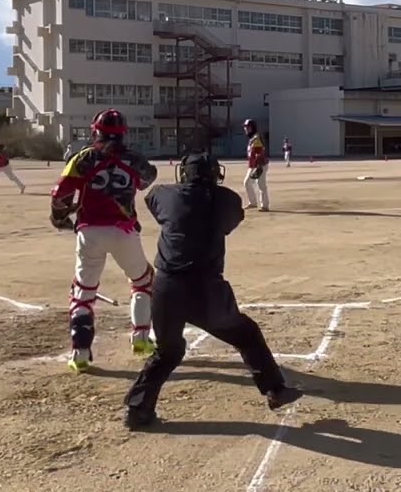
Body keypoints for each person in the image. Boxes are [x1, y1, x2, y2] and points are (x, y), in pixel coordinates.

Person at [122, 152, 303, 429]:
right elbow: (231, 220)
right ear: (214, 174)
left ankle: (137, 410)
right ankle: (275, 390)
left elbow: (152, 201)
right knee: (246, 334)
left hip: (166, 288)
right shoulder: (227, 200)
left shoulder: (164, 194)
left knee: (168, 352)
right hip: (205, 289)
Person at [51, 109, 160, 372]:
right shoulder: (134, 160)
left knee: (83, 292)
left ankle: (80, 352)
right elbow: (149, 177)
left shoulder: (83, 158)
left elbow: (60, 195)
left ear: (94, 130)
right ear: (124, 133)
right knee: (143, 281)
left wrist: (62, 216)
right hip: (124, 231)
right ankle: (141, 339)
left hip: (90, 232)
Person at [243, 118, 269, 211]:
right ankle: (253, 203)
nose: (245, 129)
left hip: (259, 164)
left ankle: (264, 206)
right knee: (247, 182)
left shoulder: (256, 138)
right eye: (245, 127)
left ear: (252, 128)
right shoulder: (252, 138)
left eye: (247, 127)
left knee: (261, 184)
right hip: (253, 165)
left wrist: (258, 167)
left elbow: (259, 153)